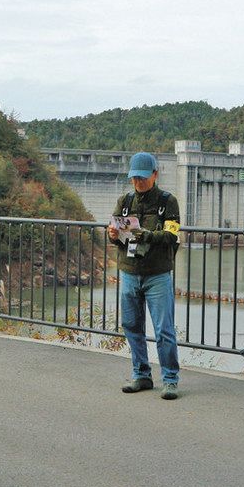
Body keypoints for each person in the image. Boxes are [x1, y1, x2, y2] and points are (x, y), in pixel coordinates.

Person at [107, 151, 182, 400]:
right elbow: (118, 240)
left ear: (154, 174)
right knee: (131, 326)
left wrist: (148, 235)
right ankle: (141, 374)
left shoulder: (167, 202)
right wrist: (113, 236)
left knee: (164, 330)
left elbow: (172, 236)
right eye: (134, 178)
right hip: (129, 272)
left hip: (157, 275)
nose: (138, 182)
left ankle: (170, 379)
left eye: (142, 177)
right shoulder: (124, 202)